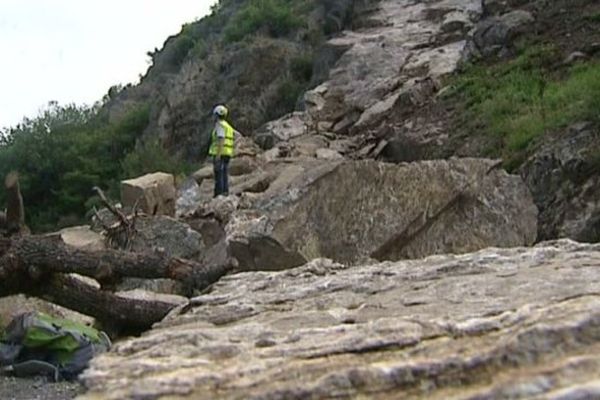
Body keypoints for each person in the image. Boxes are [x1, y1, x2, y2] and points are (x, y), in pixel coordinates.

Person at [208, 104, 238, 197]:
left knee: (219, 174)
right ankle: (225, 192)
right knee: (224, 173)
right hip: (227, 153)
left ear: (217, 115)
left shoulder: (219, 125)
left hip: (220, 153)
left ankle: (219, 194)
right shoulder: (228, 126)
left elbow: (221, 138)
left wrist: (218, 154)